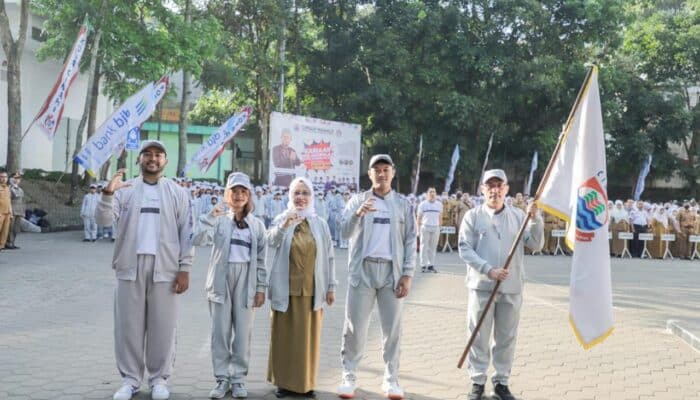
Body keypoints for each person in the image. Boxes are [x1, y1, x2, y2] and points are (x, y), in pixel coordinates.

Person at [96, 140, 194, 400]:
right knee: (128, 327)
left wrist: (185, 268)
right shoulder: (125, 190)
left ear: (166, 161)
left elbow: (187, 233)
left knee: (163, 327)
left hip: (166, 269)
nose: (153, 158)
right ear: (139, 159)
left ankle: (159, 380)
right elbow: (104, 221)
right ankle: (129, 380)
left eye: (158, 155)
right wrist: (107, 194)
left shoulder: (177, 192)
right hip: (130, 266)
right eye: (147, 154)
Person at [458, 169, 543, 400]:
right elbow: (464, 248)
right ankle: (477, 382)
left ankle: (501, 381)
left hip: (511, 286)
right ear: (482, 189)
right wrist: (488, 270)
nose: (495, 190)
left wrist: (536, 219)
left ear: (506, 189)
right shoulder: (473, 216)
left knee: (506, 337)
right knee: (478, 335)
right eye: (490, 186)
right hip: (482, 286)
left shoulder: (518, 216)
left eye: (499, 185)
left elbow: (535, 244)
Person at [337, 154, 416, 400]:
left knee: (392, 329)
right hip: (363, 272)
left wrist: (407, 274)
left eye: (385, 169)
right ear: (369, 174)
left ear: (393, 172)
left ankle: (391, 379)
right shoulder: (357, 201)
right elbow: (343, 231)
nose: (381, 174)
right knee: (355, 327)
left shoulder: (403, 205)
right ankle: (349, 375)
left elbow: (411, 239)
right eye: (376, 170)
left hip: (391, 274)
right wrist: (358, 214)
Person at [194, 172, 268, 399]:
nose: (238, 195)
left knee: (243, 333)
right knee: (220, 333)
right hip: (220, 279)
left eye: (243, 191)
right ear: (227, 194)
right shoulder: (218, 220)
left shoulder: (257, 225)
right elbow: (198, 240)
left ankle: (237, 379)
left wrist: (260, 287)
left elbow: (261, 259)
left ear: (249, 196)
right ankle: (221, 379)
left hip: (246, 280)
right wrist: (209, 217)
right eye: (234, 191)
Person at [266, 177, 336, 398]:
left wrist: (331, 286)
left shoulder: (320, 224)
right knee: (284, 338)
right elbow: (269, 241)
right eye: (297, 192)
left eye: (305, 193)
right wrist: (285, 224)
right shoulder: (281, 219)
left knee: (308, 341)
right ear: (290, 195)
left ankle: (306, 383)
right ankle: (284, 383)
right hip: (285, 289)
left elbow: (330, 257)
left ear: (311, 196)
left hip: (312, 290)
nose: (301, 197)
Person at [417, 187, 442, 273]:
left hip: (435, 227)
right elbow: (419, 218)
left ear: (436, 194)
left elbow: (440, 217)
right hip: (425, 227)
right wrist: (418, 229)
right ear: (427, 194)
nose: (432, 194)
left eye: (434, 192)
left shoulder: (439, 204)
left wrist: (440, 227)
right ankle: (423, 265)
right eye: (430, 192)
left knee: (433, 247)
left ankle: (431, 265)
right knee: (424, 247)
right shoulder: (422, 204)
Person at [6, 172, 25, 249]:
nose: (17, 180)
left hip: (19, 211)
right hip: (12, 210)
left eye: (18, 178)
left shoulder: (20, 189)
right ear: (11, 179)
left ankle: (13, 242)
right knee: (10, 228)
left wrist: (23, 211)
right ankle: (8, 243)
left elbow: (22, 201)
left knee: (16, 229)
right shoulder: (9, 188)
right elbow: (9, 199)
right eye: (15, 178)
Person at [0, 171, 13, 251]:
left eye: (5, 177)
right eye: (2, 177)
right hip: (0, 212)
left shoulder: (8, 188)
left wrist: (11, 212)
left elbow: (9, 200)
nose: (4, 178)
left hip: (7, 213)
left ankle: (1, 246)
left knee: (5, 231)